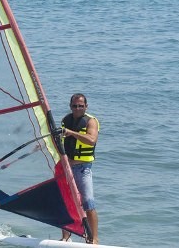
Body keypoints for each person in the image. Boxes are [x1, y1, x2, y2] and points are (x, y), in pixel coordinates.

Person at [60, 93, 100, 245]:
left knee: (88, 202)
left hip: (83, 168)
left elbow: (91, 140)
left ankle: (94, 239)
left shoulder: (91, 121)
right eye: (74, 106)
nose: (77, 108)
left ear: (86, 107)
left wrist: (71, 133)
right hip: (67, 167)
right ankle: (65, 237)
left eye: (81, 106)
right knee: (65, 202)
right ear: (70, 106)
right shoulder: (66, 120)